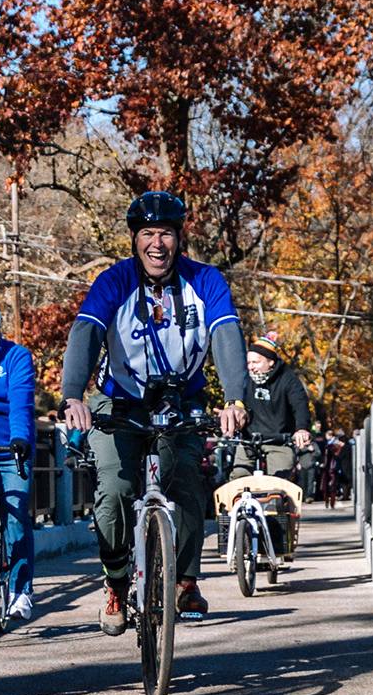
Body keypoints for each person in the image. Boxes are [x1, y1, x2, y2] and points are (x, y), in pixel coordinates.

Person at [60, 192, 248, 634]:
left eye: (166, 233)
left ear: (180, 237)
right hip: (119, 400)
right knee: (115, 486)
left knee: (184, 477)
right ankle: (116, 582)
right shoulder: (114, 280)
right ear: (135, 239)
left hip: (181, 400)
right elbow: (86, 333)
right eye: (148, 233)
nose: (157, 243)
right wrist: (72, 394)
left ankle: (185, 581)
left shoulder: (206, 280)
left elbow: (226, 335)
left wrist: (235, 398)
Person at [0, 302, 37, 621]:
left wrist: (20, 439)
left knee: (15, 511)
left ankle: (21, 591)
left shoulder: (16, 357)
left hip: (10, 446)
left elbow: (21, 404)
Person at [227, 333, 313, 481]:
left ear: (270, 361)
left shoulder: (288, 380)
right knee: (237, 479)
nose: (251, 367)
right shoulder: (244, 379)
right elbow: (234, 400)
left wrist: (301, 429)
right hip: (249, 441)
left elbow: (300, 407)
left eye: (256, 362)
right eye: (249, 363)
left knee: (279, 482)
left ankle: (281, 503)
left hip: (279, 441)